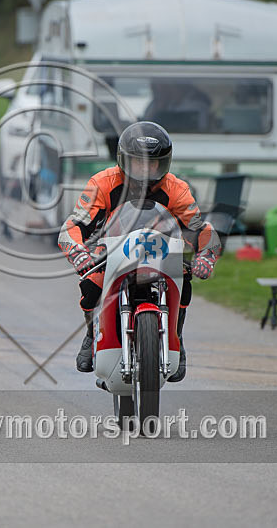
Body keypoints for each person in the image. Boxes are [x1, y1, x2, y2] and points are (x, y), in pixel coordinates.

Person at [58, 121, 221, 379]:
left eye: (152, 163)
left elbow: (201, 229)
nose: (145, 169)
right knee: (91, 285)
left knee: (185, 279)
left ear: (164, 163)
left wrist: (205, 256)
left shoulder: (177, 189)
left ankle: (176, 337)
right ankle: (91, 333)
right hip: (112, 249)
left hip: (161, 251)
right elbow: (73, 225)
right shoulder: (101, 183)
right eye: (138, 162)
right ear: (124, 160)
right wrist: (79, 253)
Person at [142, 80, 212, 133]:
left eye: (166, 88)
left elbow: (199, 128)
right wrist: (160, 104)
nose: (161, 91)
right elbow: (146, 124)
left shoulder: (195, 105)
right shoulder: (158, 103)